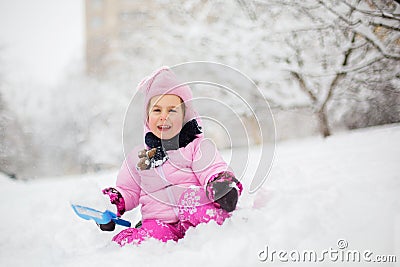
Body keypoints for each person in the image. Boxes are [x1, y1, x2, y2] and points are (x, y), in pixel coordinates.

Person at [100, 67, 243, 246]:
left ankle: (217, 224)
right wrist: (112, 204)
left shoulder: (196, 147)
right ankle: (138, 241)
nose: (164, 117)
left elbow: (212, 169)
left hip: (195, 216)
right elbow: (128, 191)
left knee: (191, 202)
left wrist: (221, 185)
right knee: (146, 237)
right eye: (157, 110)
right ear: (147, 117)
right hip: (160, 222)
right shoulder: (139, 158)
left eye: (172, 111)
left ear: (184, 116)